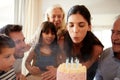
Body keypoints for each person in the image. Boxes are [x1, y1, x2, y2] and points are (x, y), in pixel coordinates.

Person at [41, 5, 104, 80]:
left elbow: (82, 68)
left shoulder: (96, 47)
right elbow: (64, 66)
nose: (75, 30)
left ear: (89, 27)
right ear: (67, 26)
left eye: (81, 25)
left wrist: (58, 70)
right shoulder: (61, 41)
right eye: (71, 25)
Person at [94, 15, 120, 80]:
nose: (114, 38)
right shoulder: (105, 54)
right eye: (113, 32)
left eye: (119, 33)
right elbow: (98, 77)